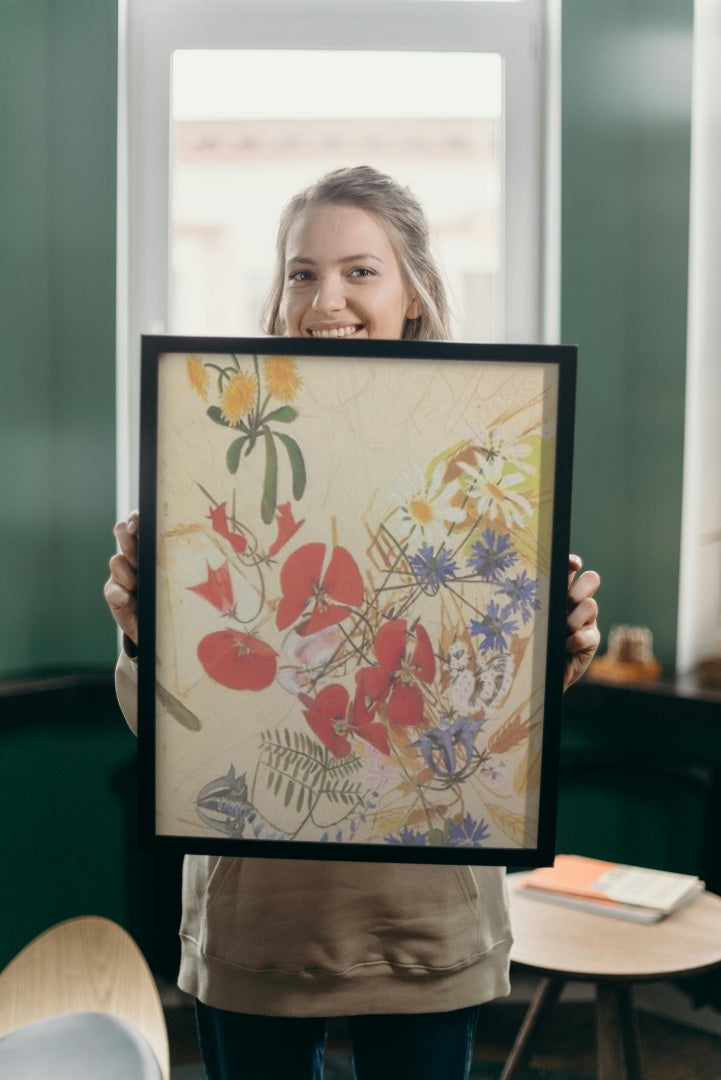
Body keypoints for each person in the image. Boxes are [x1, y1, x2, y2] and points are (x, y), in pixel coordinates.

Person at [105, 166, 601, 1080]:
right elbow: (172, 731)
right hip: (257, 921)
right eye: (301, 272)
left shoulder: (485, 455)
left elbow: (490, 722)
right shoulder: (214, 459)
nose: (324, 298)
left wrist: (554, 652)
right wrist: (145, 637)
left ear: (412, 292)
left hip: (424, 918)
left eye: (358, 271)